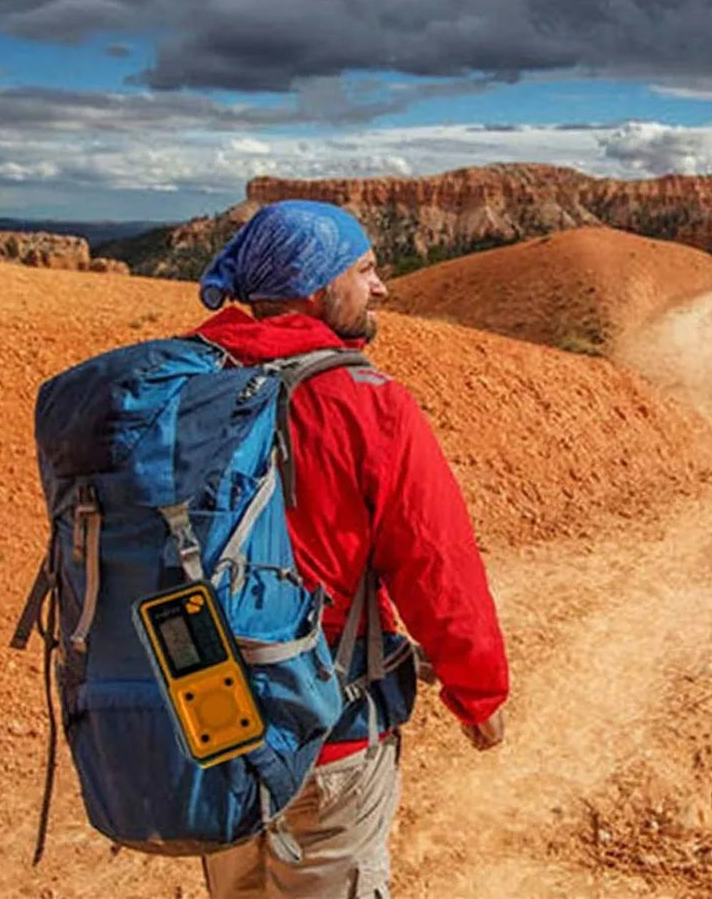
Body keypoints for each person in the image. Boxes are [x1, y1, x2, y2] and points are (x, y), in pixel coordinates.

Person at [193, 199, 509, 899]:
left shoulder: (193, 388)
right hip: (327, 733)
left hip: (210, 728)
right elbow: (436, 565)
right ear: (315, 286)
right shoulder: (368, 404)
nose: (382, 286)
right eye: (364, 269)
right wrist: (479, 693)